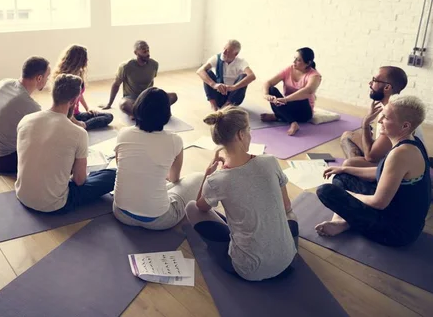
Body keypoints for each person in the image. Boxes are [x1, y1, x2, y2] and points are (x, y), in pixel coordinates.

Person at [185, 106, 298, 281]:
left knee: (191, 207)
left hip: (250, 270)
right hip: (287, 258)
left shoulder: (216, 180)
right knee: (290, 214)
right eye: (249, 130)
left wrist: (207, 174)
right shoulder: (270, 161)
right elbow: (286, 206)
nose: (250, 134)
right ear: (240, 135)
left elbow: (200, 207)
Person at [315, 96, 430, 247]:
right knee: (342, 176)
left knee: (325, 191)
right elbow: (383, 172)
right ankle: (343, 222)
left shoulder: (401, 153)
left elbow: (379, 202)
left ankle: (343, 222)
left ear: (405, 126)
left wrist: (347, 194)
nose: (380, 120)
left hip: (397, 232)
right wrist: (345, 168)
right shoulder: (413, 141)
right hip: (397, 211)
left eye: (386, 117)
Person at [15, 74, 116, 213]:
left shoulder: (26, 120)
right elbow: (79, 181)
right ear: (74, 100)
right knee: (113, 175)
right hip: (53, 204)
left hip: (22, 194)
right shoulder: (78, 133)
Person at [113, 88, 204, 230]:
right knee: (199, 177)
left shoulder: (123, 133)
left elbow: (120, 165)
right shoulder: (174, 140)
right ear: (166, 114)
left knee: (149, 180)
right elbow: (174, 178)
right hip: (158, 220)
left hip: (120, 212)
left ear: (137, 108)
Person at [340, 66, 424, 166]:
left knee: (349, 164)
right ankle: (359, 172)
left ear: (387, 87)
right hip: (392, 152)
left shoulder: (394, 113)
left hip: (402, 166)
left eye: (374, 80)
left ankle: (360, 174)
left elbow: (370, 156)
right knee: (347, 136)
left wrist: (365, 124)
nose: (370, 83)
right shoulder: (393, 105)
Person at [0, 56, 50, 173]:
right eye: (47, 77)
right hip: (5, 161)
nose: (48, 80)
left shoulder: (3, 83)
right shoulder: (30, 105)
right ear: (39, 78)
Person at [101, 40, 178, 117]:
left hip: (148, 97)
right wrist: (109, 104)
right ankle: (146, 113)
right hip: (132, 99)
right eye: (143, 50)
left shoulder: (154, 64)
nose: (147, 53)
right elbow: (116, 85)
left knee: (173, 96)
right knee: (124, 105)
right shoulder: (126, 66)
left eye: (148, 50)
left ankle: (141, 113)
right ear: (136, 52)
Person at [261, 47, 322, 136]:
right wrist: (266, 95)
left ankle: (281, 117)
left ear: (308, 63)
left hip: (304, 112)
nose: (294, 62)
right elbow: (268, 82)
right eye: (294, 59)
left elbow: (308, 91)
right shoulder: (289, 69)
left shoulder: (315, 76)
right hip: (287, 105)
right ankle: (288, 120)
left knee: (302, 96)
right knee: (271, 90)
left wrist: (286, 99)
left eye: (298, 60)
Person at [52, 44, 114, 130]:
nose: (87, 60)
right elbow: (64, 108)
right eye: (86, 58)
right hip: (67, 116)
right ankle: (81, 126)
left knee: (108, 116)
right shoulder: (64, 79)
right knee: (104, 118)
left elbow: (79, 94)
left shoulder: (79, 73)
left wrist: (88, 108)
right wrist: (77, 122)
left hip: (76, 114)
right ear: (79, 60)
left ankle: (81, 125)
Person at [197, 39, 256, 110]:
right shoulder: (217, 58)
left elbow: (252, 76)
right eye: (224, 49)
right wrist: (214, 85)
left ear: (235, 54)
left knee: (244, 76)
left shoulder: (241, 62)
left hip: (233, 96)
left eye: (227, 51)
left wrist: (234, 87)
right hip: (218, 93)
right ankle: (214, 106)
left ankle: (227, 106)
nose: (224, 52)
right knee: (207, 72)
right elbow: (200, 71)